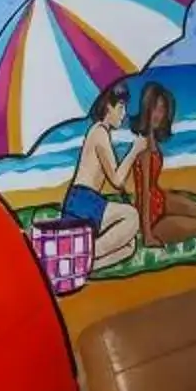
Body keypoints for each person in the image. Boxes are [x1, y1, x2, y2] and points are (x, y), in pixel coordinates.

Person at [63, 84, 143, 272]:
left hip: (85, 202)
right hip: (82, 202)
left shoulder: (99, 132)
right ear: (108, 106)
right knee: (132, 217)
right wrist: (134, 150)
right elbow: (116, 180)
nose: (123, 114)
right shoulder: (99, 132)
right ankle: (83, 254)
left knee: (129, 247)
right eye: (121, 107)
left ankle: (87, 266)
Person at [129, 81, 196, 248]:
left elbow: (151, 186)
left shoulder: (152, 141)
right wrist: (148, 235)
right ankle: (151, 229)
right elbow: (144, 194)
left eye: (162, 110)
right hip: (150, 214)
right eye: (154, 109)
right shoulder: (143, 147)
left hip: (159, 198)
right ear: (146, 110)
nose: (158, 115)